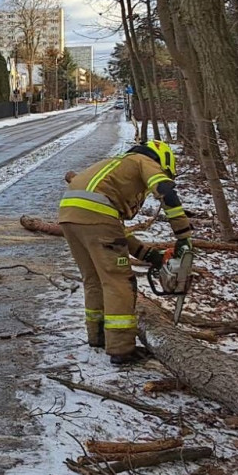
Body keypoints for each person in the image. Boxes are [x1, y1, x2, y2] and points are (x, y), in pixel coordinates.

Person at [58, 139, 192, 366]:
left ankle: (97, 335)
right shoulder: (144, 161)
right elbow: (165, 191)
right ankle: (121, 348)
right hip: (96, 216)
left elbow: (114, 232)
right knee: (119, 281)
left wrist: (150, 255)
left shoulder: (115, 167)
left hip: (68, 215)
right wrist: (183, 236)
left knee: (94, 279)